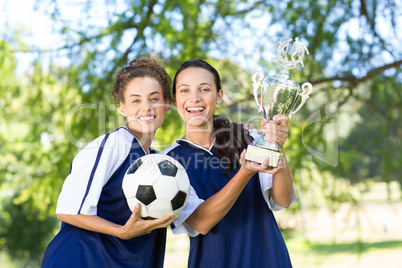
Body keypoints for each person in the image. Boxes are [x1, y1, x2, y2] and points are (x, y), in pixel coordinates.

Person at [41, 58, 204, 268]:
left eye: (154, 99)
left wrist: (245, 170)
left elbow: (203, 221)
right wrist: (122, 232)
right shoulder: (112, 145)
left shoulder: (164, 166)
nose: (146, 107)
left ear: (167, 105)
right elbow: (67, 210)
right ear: (122, 107)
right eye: (136, 100)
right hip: (79, 259)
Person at [163, 59, 296, 268]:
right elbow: (201, 222)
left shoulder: (248, 138)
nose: (194, 98)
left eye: (204, 89)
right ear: (174, 99)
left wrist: (277, 145)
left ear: (219, 96)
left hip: (269, 259)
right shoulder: (167, 163)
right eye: (184, 90)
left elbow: (283, 199)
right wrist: (244, 173)